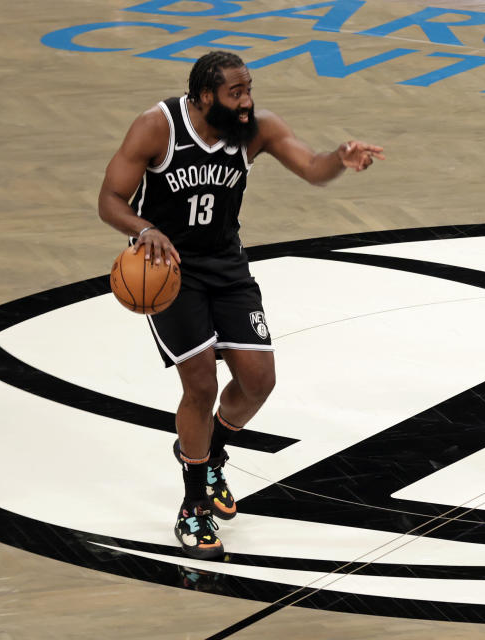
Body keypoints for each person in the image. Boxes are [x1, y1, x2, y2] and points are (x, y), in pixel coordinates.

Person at [98, 51, 384, 558]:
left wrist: (339, 158)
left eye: (249, 88)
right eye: (236, 92)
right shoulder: (157, 127)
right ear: (205, 96)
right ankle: (192, 508)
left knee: (258, 380)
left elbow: (313, 169)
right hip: (170, 271)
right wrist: (146, 230)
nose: (247, 101)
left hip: (227, 268)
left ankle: (210, 458)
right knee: (202, 382)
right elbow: (111, 200)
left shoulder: (257, 128)